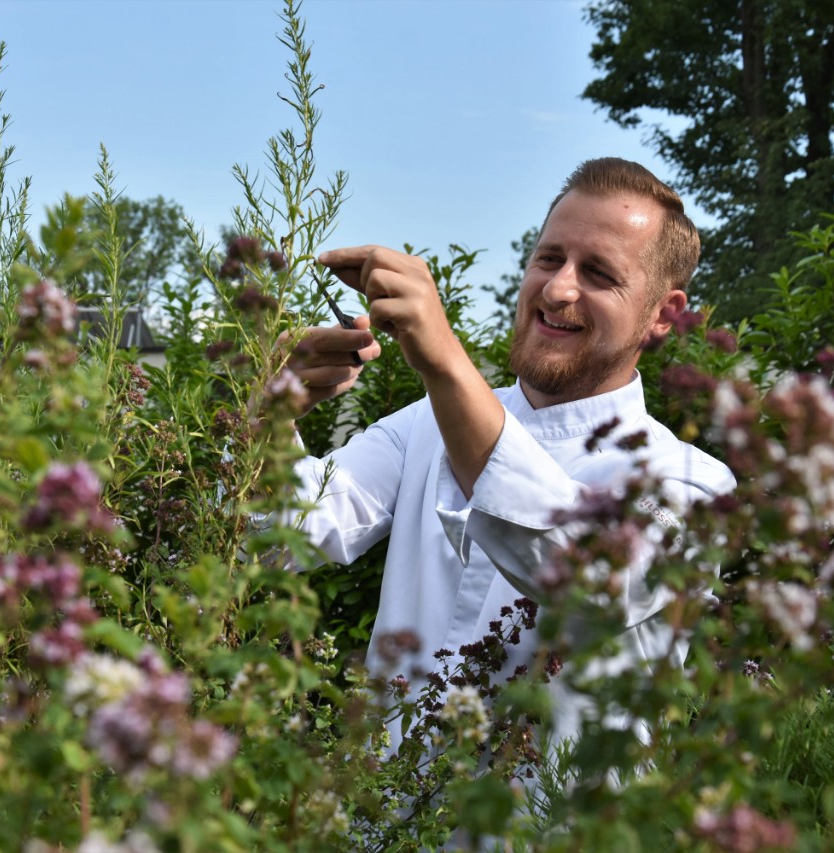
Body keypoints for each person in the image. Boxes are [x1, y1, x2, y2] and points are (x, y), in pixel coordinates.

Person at [283, 158, 736, 756]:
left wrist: (444, 361)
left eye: (599, 273)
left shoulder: (692, 482)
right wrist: (270, 413)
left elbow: (589, 583)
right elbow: (289, 530)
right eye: (549, 258)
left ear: (661, 315)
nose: (556, 289)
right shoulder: (426, 421)